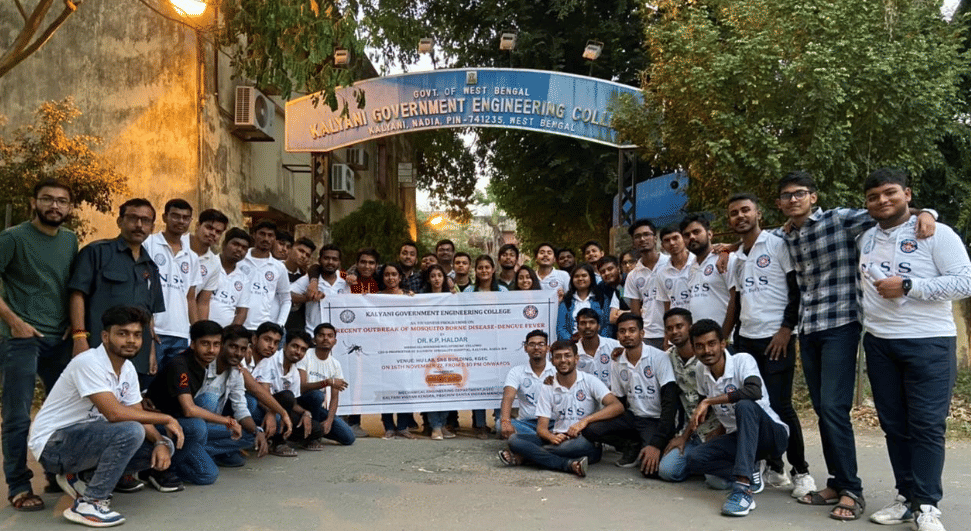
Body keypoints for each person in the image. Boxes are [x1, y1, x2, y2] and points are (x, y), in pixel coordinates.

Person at [773, 170, 935, 519]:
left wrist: (927, 212)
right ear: (779, 203)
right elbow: (757, 240)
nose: (793, 199)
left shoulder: (840, 219)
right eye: (786, 195)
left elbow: (888, 212)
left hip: (842, 325)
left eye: (800, 193)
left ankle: (851, 491)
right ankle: (836, 481)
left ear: (813, 197)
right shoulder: (784, 235)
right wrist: (726, 249)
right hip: (809, 327)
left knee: (834, 407)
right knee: (822, 408)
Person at [857, 168, 971, 531]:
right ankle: (906, 498)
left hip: (929, 341)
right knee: (894, 426)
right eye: (873, 196)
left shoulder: (937, 233)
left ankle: (927, 505)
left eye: (890, 192)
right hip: (879, 342)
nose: (882, 201)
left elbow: (965, 282)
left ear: (907, 194)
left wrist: (909, 286)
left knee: (926, 426)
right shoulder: (865, 238)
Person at [28, 306, 185, 527]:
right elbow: (114, 413)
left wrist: (160, 442)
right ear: (105, 336)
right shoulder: (88, 362)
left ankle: (82, 478)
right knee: (131, 431)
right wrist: (167, 419)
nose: (131, 340)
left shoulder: (127, 369)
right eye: (122, 333)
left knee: (161, 445)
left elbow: (138, 413)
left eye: (137, 335)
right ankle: (89, 505)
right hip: (54, 445)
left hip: (88, 439)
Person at [725, 193, 813, 497]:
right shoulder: (737, 257)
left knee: (780, 404)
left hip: (776, 338)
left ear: (758, 213)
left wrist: (787, 329)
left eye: (745, 210)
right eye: (734, 213)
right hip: (746, 340)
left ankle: (801, 470)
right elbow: (738, 302)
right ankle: (774, 466)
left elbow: (796, 290)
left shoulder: (777, 244)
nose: (740, 216)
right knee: (754, 404)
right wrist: (732, 338)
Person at [0, 179, 78, 511]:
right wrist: (14, 322)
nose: (54, 206)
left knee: (63, 411)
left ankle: (54, 473)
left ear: (69, 207)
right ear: (34, 202)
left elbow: (67, 285)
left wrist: (73, 324)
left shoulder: (70, 240)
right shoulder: (13, 238)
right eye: (47, 199)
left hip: (59, 340)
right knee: (18, 415)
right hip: (21, 339)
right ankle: (19, 486)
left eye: (61, 201)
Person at [684, 319, 789, 517]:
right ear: (694, 349)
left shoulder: (742, 360)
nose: (707, 351)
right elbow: (704, 408)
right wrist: (687, 436)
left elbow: (754, 391)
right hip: (739, 438)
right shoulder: (700, 370)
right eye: (700, 346)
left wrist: (709, 401)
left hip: (770, 436)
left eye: (711, 344)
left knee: (745, 405)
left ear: (723, 344)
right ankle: (750, 469)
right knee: (694, 458)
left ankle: (742, 490)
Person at [69, 198, 164, 388]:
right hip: (98, 350)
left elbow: (148, 314)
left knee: (128, 401)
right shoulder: (97, 252)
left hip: (136, 356)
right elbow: (77, 295)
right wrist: (79, 337)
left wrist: (151, 349)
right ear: (120, 221)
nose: (139, 225)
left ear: (152, 227)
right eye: (133, 218)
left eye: (145, 221)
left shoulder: (151, 268)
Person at [498, 340, 624, 477]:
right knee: (514, 440)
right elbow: (541, 429)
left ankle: (526, 456)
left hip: (583, 441)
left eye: (567, 355)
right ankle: (568, 465)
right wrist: (550, 437)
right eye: (558, 357)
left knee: (572, 445)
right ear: (552, 361)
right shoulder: (548, 386)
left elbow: (617, 406)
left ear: (576, 359)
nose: (563, 360)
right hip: (558, 438)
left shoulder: (590, 381)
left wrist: (585, 421)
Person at [145, 320, 247, 486]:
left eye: (216, 344)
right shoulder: (180, 366)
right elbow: (189, 410)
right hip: (160, 424)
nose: (211, 350)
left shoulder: (204, 364)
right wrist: (227, 421)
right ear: (192, 344)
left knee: (209, 474)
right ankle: (160, 469)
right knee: (198, 427)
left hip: (181, 425)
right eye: (205, 344)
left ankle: (190, 453)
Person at [583, 312, 678, 474]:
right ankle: (630, 444)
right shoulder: (617, 360)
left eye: (632, 330)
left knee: (650, 471)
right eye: (622, 331)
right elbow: (619, 400)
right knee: (590, 429)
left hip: (655, 420)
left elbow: (670, 403)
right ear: (617, 335)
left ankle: (646, 444)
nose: (627, 335)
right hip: (633, 416)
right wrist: (589, 420)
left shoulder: (659, 358)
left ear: (642, 333)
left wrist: (656, 443)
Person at [655, 309, 724, 485]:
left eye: (679, 326)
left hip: (718, 430)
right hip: (692, 432)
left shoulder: (709, 356)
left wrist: (721, 429)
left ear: (690, 327)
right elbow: (644, 356)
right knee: (667, 471)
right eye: (669, 328)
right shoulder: (668, 358)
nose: (674, 331)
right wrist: (620, 351)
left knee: (718, 482)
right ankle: (700, 461)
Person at [196, 324, 270, 466]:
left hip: (215, 425)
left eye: (243, 349)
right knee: (210, 399)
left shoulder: (236, 372)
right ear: (222, 344)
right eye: (233, 347)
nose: (238, 353)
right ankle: (201, 452)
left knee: (251, 436)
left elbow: (241, 409)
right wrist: (229, 422)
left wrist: (257, 431)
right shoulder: (205, 364)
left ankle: (203, 451)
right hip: (194, 424)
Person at [145, 198, 201, 370]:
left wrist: (197, 333)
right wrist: (147, 325)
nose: (181, 221)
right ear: (164, 217)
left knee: (175, 383)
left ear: (190, 221)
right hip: (155, 331)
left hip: (181, 334)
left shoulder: (192, 257)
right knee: (149, 380)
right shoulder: (148, 244)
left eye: (185, 218)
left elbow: (191, 298)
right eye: (175, 216)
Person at [250, 331, 325, 454]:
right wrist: (272, 412)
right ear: (285, 346)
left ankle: (284, 435)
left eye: (303, 349)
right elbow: (261, 395)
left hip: (280, 411)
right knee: (287, 396)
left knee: (317, 429)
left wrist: (305, 413)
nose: (298, 352)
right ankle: (277, 443)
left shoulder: (294, 372)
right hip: (261, 409)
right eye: (295, 346)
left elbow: (293, 404)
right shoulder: (269, 360)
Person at [297, 323, 356, 446]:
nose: (325, 338)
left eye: (330, 336)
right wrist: (327, 382)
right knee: (317, 395)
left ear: (335, 341)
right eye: (321, 335)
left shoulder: (335, 364)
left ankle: (318, 430)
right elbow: (301, 387)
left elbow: (334, 398)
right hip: (300, 403)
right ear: (314, 340)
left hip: (318, 408)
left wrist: (329, 421)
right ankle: (312, 437)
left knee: (348, 438)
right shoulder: (305, 355)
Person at [498, 330, 555, 439]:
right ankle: (546, 439)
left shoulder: (556, 370)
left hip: (553, 423)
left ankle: (532, 441)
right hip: (526, 423)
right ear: (525, 348)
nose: (536, 348)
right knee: (499, 425)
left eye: (541, 344)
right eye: (532, 344)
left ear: (547, 348)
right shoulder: (516, 372)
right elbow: (508, 397)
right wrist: (505, 421)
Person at [681, 214, 734, 327]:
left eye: (696, 232)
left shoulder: (724, 258)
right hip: (700, 335)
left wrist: (724, 334)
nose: (691, 237)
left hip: (725, 334)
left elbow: (736, 300)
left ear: (709, 234)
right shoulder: (691, 266)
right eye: (686, 235)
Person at [624, 219, 669, 349]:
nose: (642, 239)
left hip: (674, 331)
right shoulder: (633, 275)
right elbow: (635, 312)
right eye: (637, 236)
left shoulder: (670, 264)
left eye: (646, 234)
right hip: (648, 336)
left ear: (655, 238)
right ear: (633, 242)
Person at [241, 221, 291, 331]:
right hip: (237, 326)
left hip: (263, 329)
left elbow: (286, 299)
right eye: (262, 234)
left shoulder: (279, 267)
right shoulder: (240, 259)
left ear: (274, 239)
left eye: (270, 235)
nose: (266, 239)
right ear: (254, 235)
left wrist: (279, 325)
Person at [293, 244, 350, 335]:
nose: (330, 262)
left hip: (340, 335)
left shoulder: (345, 280)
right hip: (313, 334)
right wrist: (308, 298)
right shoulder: (309, 279)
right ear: (320, 260)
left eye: (334, 259)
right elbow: (287, 294)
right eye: (326, 258)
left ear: (339, 262)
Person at [188, 209, 229, 321]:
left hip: (184, 321)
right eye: (209, 228)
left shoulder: (214, 263)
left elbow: (203, 303)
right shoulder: (178, 245)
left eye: (218, 232)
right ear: (197, 226)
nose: (213, 233)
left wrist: (200, 328)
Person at [208, 228, 252, 327]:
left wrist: (230, 333)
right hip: (201, 330)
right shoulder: (209, 264)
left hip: (226, 333)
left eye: (244, 248)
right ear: (224, 244)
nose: (239, 249)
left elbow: (242, 312)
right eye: (235, 244)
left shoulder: (244, 279)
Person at [556, 264, 612, 340]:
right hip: (573, 344)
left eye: (584, 275)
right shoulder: (566, 301)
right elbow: (561, 329)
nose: (580, 279)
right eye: (576, 276)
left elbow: (607, 325)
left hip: (599, 344)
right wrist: (572, 342)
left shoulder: (602, 299)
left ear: (591, 278)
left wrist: (599, 342)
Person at [575, 308, 621, 388]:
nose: (587, 326)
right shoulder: (573, 351)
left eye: (592, 322)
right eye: (583, 323)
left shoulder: (614, 345)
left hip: (612, 393)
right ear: (578, 327)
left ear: (598, 326)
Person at [282, 237, 316, 335]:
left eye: (307, 255)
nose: (303, 256)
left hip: (298, 331)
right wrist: (307, 298)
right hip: (276, 327)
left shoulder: (306, 277)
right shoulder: (275, 269)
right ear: (290, 249)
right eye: (301, 251)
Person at [656, 225, 693, 313]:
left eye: (675, 238)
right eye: (667, 240)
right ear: (662, 246)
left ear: (684, 239)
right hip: (678, 319)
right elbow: (667, 304)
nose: (672, 243)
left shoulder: (698, 262)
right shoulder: (661, 273)